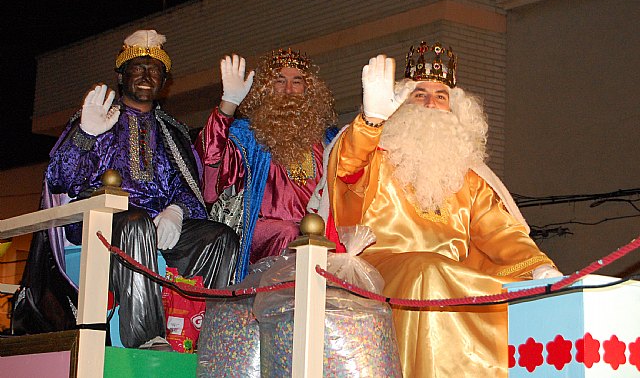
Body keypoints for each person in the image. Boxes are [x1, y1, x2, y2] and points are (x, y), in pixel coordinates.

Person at [327, 42, 562, 377]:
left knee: (500, 291)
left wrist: (539, 267)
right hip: (381, 269)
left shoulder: (468, 176)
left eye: (441, 96)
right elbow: (346, 170)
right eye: (419, 94)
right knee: (428, 272)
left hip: (449, 274)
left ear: (455, 111)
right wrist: (370, 122)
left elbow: (500, 231)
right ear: (400, 104)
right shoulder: (376, 155)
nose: (430, 103)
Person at [42, 29, 238, 348]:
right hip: (100, 224)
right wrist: (85, 135)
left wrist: (176, 211)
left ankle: (209, 339)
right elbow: (61, 178)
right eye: (138, 67)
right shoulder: (95, 119)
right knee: (137, 224)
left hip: (157, 226)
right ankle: (146, 337)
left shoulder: (171, 132)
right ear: (122, 76)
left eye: (155, 70)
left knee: (219, 237)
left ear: (164, 80)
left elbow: (189, 190)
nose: (147, 75)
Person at [196, 50, 338, 281]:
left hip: (317, 238)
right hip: (265, 236)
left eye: (297, 81)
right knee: (289, 232)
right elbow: (210, 174)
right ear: (266, 89)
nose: (289, 90)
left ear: (309, 91)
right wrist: (227, 106)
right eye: (280, 81)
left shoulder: (329, 140)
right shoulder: (249, 135)